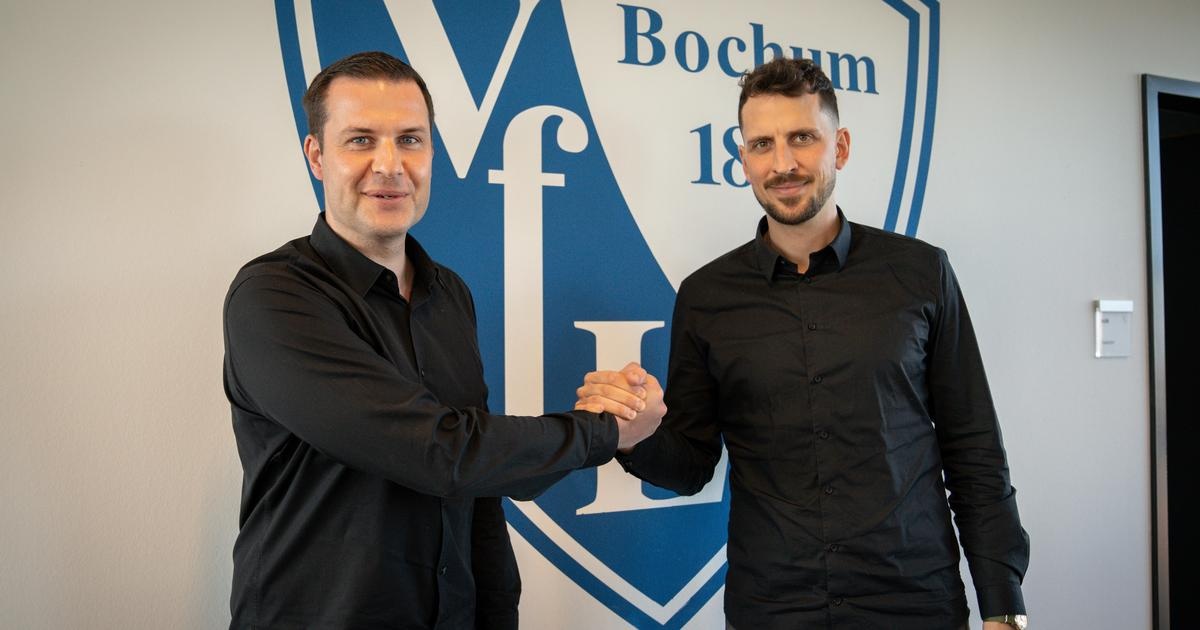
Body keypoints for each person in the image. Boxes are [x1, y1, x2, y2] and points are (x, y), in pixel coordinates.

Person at [577, 58, 1030, 629]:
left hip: (914, 600)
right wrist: (635, 436)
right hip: (773, 607)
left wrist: (1003, 606)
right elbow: (691, 465)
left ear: (839, 147)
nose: (783, 164)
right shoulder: (706, 296)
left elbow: (974, 447)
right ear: (743, 159)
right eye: (762, 144)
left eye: (802, 138)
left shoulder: (921, 273)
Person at [222, 51, 662, 629]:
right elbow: (437, 453)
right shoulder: (274, 296)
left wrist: (496, 614)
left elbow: (476, 484)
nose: (389, 165)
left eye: (410, 139)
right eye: (360, 140)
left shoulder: (449, 293)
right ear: (317, 156)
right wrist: (605, 431)